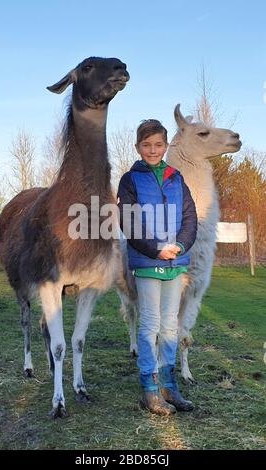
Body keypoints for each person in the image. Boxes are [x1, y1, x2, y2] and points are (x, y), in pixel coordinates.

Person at [117, 119, 197, 416]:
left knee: (171, 325)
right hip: (147, 262)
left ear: (166, 146)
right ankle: (150, 390)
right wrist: (155, 248)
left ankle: (167, 384)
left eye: (158, 145)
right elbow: (129, 221)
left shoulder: (177, 178)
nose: (153, 150)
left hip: (176, 262)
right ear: (138, 147)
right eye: (146, 145)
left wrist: (181, 245)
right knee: (150, 323)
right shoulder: (130, 180)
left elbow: (190, 217)